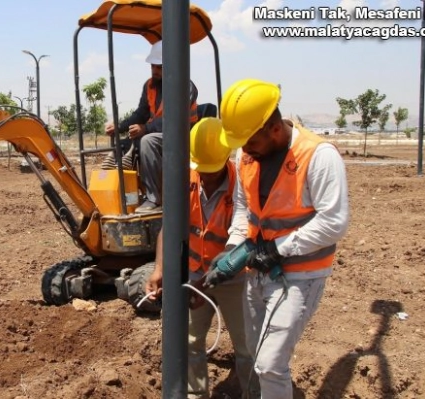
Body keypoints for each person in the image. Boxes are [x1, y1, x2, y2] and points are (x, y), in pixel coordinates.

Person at [208, 78, 350, 398]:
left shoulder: (318, 156)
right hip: (258, 271)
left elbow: (335, 222)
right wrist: (233, 248)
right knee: (258, 357)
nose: (244, 149)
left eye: (249, 141)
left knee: (271, 363)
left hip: (300, 276)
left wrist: (279, 248)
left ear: (273, 128)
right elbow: (245, 209)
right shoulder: (247, 156)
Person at [144, 117, 256, 399]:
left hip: (235, 278)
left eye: (212, 170)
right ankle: (195, 394)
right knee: (190, 340)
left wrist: (204, 284)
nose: (205, 176)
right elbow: (168, 228)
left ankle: (254, 394)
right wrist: (159, 268)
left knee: (246, 346)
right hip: (195, 272)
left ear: (226, 158)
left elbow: (245, 242)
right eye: (201, 169)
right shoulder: (186, 180)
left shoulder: (241, 187)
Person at [103, 40, 199, 213]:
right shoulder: (150, 86)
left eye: (159, 67)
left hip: (182, 136)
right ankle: (122, 196)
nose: (155, 70)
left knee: (147, 140)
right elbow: (141, 113)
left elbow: (174, 118)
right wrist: (120, 127)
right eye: (153, 66)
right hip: (160, 135)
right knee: (123, 144)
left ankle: (153, 199)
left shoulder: (185, 86)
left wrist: (145, 129)